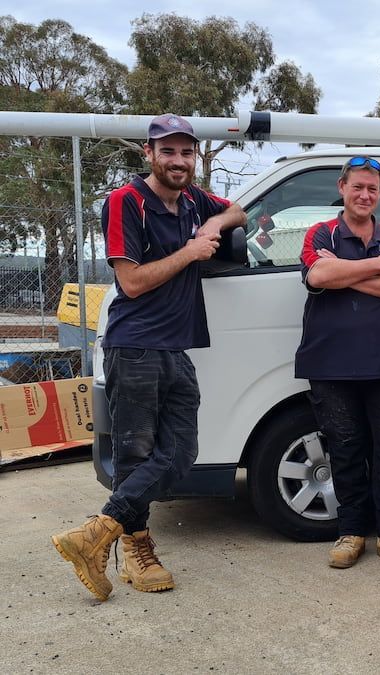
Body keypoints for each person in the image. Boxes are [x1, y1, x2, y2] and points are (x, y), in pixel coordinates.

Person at [52, 114, 246, 601]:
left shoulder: (194, 199)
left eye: (186, 152)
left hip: (175, 347)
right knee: (135, 456)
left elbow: (239, 211)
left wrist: (215, 221)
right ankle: (138, 555)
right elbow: (132, 282)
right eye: (168, 152)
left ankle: (92, 535)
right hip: (134, 345)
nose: (178, 161)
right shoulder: (125, 201)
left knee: (181, 452)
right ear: (149, 154)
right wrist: (192, 250)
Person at [295, 155, 380, 571]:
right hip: (330, 365)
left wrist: (346, 273)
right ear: (342, 188)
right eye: (358, 187)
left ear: (379, 193)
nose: (365, 194)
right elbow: (317, 277)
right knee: (345, 450)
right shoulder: (320, 232)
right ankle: (351, 532)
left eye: (372, 188)